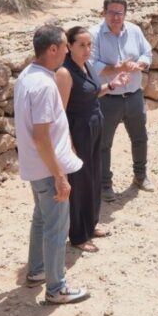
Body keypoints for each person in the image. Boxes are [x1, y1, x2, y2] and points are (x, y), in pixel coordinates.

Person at [13, 25, 89, 304]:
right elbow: (42, 135)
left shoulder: (26, 76)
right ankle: (56, 289)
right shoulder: (45, 85)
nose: (68, 52)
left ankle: (36, 271)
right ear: (53, 49)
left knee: (41, 219)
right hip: (47, 168)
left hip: (34, 166)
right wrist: (59, 176)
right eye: (65, 47)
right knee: (56, 228)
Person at [55, 26, 129, 252]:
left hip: (95, 124)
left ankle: (90, 225)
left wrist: (111, 85)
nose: (87, 50)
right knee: (79, 182)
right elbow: (61, 111)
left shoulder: (86, 66)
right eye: (82, 45)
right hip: (78, 130)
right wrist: (69, 143)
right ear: (69, 46)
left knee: (94, 176)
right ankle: (78, 235)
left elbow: (91, 92)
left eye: (89, 45)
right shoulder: (64, 73)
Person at [90, 0, 154, 202]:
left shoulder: (134, 30)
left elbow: (147, 52)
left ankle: (140, 176)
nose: (115, 17)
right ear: (104, 13)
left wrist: (140, 65)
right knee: (103, 144)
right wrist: (120, 67)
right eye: (111, 12)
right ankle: (105, 185)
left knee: (139, 137)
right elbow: (93, 66)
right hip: (107, 98)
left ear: (125, 14)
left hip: (134, 95)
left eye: (119, 13)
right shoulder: (94, 35)